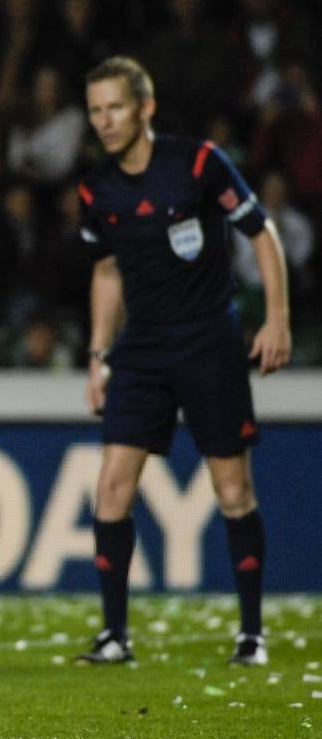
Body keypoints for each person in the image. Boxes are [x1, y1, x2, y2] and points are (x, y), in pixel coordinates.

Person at [75, 57, 290, 667]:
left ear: (146, 108)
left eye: (115, 107)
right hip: (141, 347)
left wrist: (276, 319)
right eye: (95, 110)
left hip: (208, 341)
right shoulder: (97, 188)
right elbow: (108, 268)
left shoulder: (197, 163)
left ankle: (252, 633)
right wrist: (98, 355)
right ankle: (115, 635)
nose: (104, 121)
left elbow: (261, 232)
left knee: (231, 486)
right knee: (112, 486)